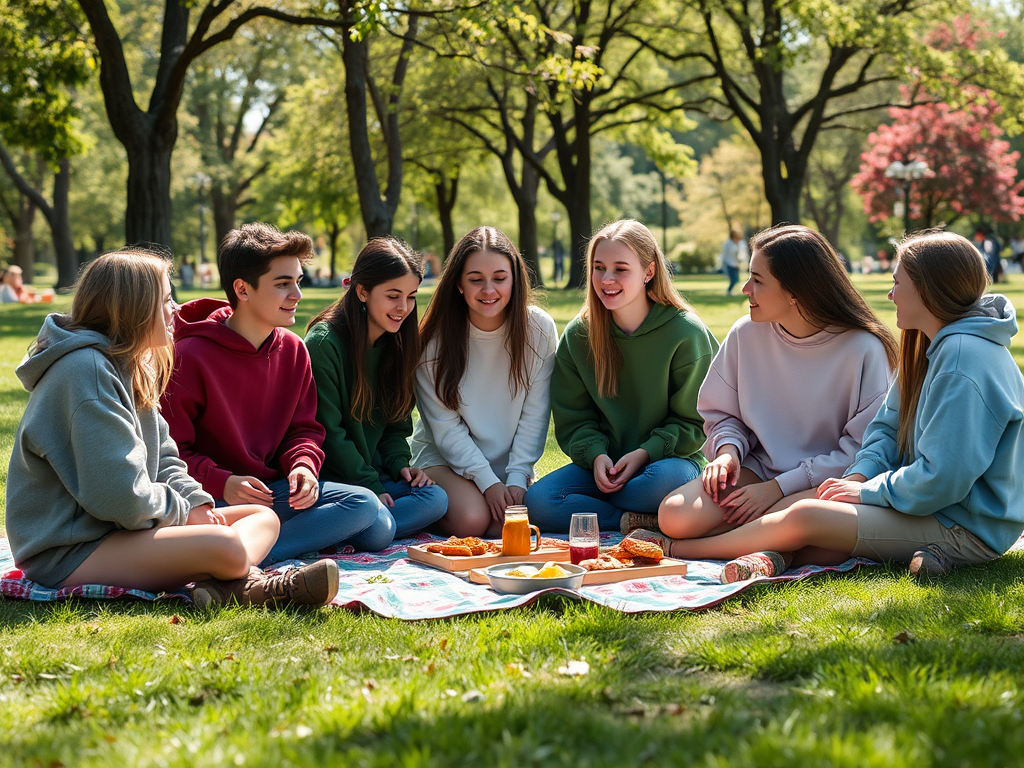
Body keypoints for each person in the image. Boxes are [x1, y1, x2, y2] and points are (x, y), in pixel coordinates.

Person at [635, 231, 1024, 582]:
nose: (890, 294)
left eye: (897, 283)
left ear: (928, 291)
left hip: (961, 525)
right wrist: (858, 480)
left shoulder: (961, 360)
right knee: (793, 522)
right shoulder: (931, 346)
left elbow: (942, 480)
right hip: (925, 505)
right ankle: (772, 550)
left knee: (805, 518)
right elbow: (886, 430)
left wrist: (866, 490)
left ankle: (677, 552)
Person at [4, 248, 339, 607]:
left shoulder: (129, 363)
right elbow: (118, 497)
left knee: (262, 517)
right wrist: (184, 515)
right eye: (166, 299)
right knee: (225, 544)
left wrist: (195, 502)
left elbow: (165, 457)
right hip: (69, 549)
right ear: (132, 306)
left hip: (118, 530)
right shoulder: (86, 372)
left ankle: (227, 586)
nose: (176, 309)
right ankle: (256, 588)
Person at [646, 225, 897, 569]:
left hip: (827, 483)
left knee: (815, 536)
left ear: (795, 291)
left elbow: (861, 450)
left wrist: (779, 489)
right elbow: (723, 413)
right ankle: (772, 549)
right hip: (758, 471)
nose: (746, 289)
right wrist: (727, 453)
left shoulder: (863, 349)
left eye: (758, 280)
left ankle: (681, 550)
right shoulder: (745, 334)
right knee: (675, 514)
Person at [161, 223, 383, 563]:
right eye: (283, 284)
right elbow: (168, 453)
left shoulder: (293, 350)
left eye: (298, 281)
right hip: (211, 498)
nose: (297, 294)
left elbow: (304, 430)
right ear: (243, 289)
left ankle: (239, 553)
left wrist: (304, 466)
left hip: (275, 494)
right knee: (372, 519)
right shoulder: (188, 357)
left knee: (373, 517)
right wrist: (223, 482)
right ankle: (237, 556)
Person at [525, 219, 719, 533]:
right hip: (606, 468)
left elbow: (698, 422)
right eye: (599, 267)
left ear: (649, 272)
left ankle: (610, 513)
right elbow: (574, 417)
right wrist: (596, 455)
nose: (607, 279)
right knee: (540, 501)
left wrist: (645, 453)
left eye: (620, 269)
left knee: (655, 486)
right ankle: (632, 521)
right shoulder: (579, 335)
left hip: (667, 463)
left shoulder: (685, 332)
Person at [412, 226, 558, 537]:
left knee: (506, 527)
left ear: (515, 279)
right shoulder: (432, 341)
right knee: (473, 521)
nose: (488, 290)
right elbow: (445, 429)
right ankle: (418, 502)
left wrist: (517, 478)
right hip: (445, 460)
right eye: (476, 279)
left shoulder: (539, 330)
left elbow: (535, 414)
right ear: (459, 285)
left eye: (500, 278)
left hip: (509, 467)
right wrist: (487, 481)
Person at [305, 237, 448, 548]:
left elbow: (396, 424)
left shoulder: (399, 344)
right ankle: (355, 525)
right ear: (362, 292)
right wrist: (367, 484)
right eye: (393, 296)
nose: (404, 308)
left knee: (436, 498)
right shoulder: (323, 344)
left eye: (410, 297)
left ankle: (348, 531)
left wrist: (401, 464)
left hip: (376, 479)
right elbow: (330, 432)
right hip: (334, 482)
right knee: (378, 527)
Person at [719, 229, 747, 295]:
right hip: (729, 263)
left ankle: (731, 291)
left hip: (736, 264)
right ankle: (729, 291)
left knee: (737, 279)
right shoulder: (727, 243)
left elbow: (741, 253)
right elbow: (725, 254)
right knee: (733, 279)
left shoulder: (739, 243)